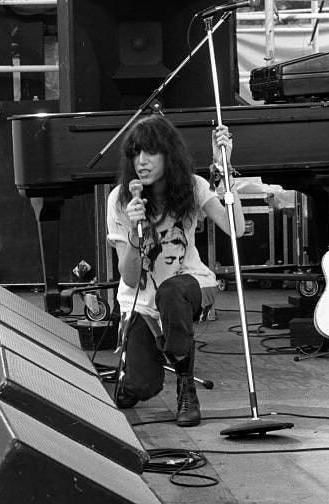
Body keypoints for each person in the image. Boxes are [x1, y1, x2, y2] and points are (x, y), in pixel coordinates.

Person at [106, 114, 245, 427]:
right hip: (140, 299)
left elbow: (235, 229)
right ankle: (136, 373)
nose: (142, 161)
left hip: (189, 284)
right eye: (136, 154)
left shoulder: (193, 187)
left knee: (171, 293)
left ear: (169, 154)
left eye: (151, 153)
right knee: (144, 387)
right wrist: (133, 230)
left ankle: (186, 386)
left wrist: (224, 169)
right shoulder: (120, 199)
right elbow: (129, 277)